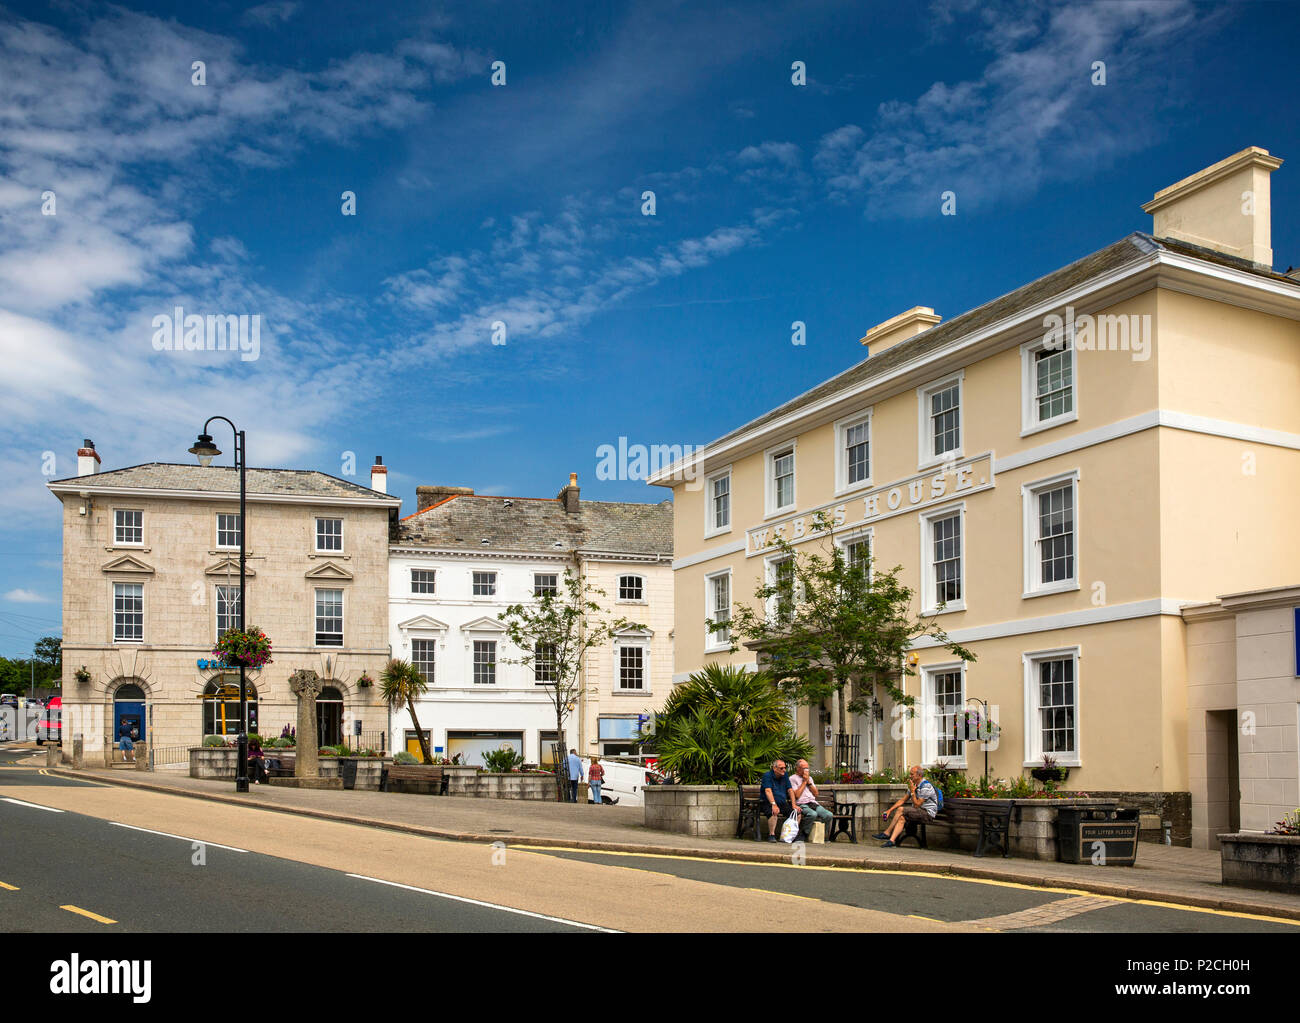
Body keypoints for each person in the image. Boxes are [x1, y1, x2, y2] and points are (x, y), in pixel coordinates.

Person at [877, 765, 939, 846]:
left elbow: (917, 805)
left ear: (919, 775)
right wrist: (889, 810)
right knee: (902, 818)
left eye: (912, 774)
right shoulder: (914, 785)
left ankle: (887, 833)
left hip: (927, 814)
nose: (910, 776)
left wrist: (913, 792)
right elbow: (902, 800)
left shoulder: (926, 786)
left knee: (901, 810)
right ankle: (891, 841)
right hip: (918, 812)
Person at [789, 759, 834, 841]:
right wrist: (804, 782)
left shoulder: (810, 778)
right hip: (801, 803)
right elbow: (797, 795)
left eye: (807, 768)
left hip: (812, 802)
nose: (806, 771)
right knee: (812, 814)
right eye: (804, 768)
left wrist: (808, 782)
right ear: (798, 768)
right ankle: (804, 833)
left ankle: (823, 835)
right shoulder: (792, 779)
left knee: (828, 815)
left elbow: (816, 794)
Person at [757, 758, 794, 842]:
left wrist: (794, 804)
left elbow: (790, 790)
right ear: (774, 768)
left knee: (796, 813)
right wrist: (773, 804)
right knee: (774, 811)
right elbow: (768, 790)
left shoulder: (785, 776)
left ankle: (789, 836)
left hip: (782, 802)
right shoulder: (767, 776)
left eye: (785, 767)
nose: (784, 770)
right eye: (781, 768)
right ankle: (771, 835)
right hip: (767, 802)